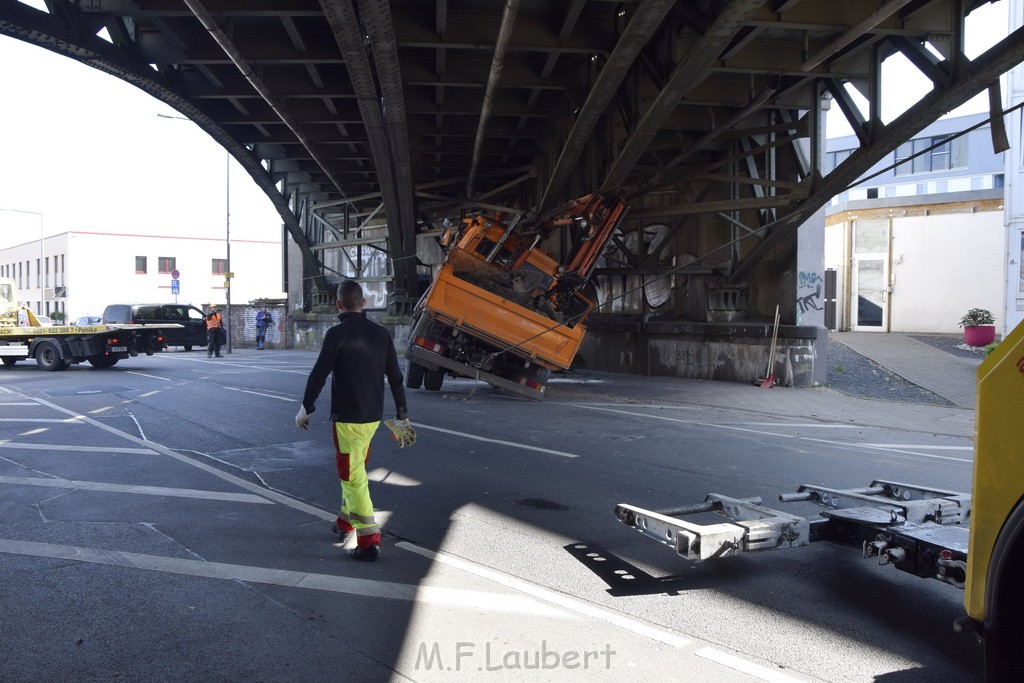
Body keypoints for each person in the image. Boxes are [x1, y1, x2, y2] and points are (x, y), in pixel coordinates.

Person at [295, 281, 415, 562]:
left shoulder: (336, 334)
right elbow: (396, 378)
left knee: (352, 476)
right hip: (372, 418)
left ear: (338, 304)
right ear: (363, 303)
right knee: (356, 468)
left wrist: (307, 407)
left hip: (347, 419)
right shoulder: (381, 334)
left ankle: (368, 540)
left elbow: (319, 374)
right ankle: (346, 522)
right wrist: (402, 414)